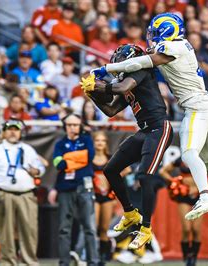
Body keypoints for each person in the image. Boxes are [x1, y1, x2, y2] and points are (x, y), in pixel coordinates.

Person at [90, 13, 208, 237]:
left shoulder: (173, 47)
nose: (152, 38)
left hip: (197, 107)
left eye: (155, 33)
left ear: (166, 32)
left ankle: (205, 195)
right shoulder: (175, 47)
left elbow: (144, 62)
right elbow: (146, 58)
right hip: (207, 105)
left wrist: (106, 70)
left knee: (188, 153)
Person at [84, 44, 174, 249]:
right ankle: (130, 212)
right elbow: (110, 110)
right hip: (144, 131)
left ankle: (146, 229)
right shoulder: (127, 80)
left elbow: (122, 88)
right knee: (111, 169)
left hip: (160, 128)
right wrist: (92, 94)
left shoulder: (142, 70)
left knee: (144, 175)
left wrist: (98, 86)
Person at [0, 120, 45, 265]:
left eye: (16, 130)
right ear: (3, 132)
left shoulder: (28, 149)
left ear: (21, 133)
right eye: (9, 129)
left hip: (27, 194)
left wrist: (37, 171)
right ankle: (8, 262)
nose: (12, 132)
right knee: (5, 232)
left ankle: (30, 262)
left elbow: (41, 167)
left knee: (30, 231)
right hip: (4, 194)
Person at [48, 114, 98, 266]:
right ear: (65, 127)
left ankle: (93, 261)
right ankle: (64, 262)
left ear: (80, 126)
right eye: (69, 125)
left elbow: (89, 156)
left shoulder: (87, 140)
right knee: (64, 228)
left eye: (75, 125)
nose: (72, 127)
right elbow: (58, 164)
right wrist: (78, 159)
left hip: (85, 187)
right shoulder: (59, 143)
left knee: (89, 227)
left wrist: (67, 159)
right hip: (65, 189)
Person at [159, 157, 203, 266]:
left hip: (200, 196)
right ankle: (187, 256)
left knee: (196, 230)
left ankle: (193, 258)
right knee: (186, 229)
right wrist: (175, 182)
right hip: (184, 195)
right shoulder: (182, 158)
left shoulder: (204, 157)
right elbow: (162, 171)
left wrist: (201, 187)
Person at [91, 131, 117, 265]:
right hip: (93, 196)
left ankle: (102, 258)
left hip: (107, 196)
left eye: (103, 140)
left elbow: (125, 170)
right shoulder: (89, 158)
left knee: (104, 228)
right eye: (97, 140)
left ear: (106, 143)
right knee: (93, 226)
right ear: (93, 142)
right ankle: (91, 256)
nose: (100, 143)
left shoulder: (111, 158)